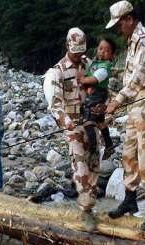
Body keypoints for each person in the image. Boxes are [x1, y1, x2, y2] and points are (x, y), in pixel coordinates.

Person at [105, 1, 145, 231]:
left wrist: (117, 100)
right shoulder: (132, 41)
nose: (118, 30)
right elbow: (130, 77)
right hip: (135, 105)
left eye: (119, 25)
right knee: (129, 152)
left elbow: (139, 76)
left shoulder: (144, 39)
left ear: (128, 19)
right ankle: (130, 200)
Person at [44, 27, 99, 231]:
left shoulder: (89, 64)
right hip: (73, 126)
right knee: (81, 168)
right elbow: (55, 104)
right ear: (68, 46)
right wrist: (64, 120)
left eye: (81, 50)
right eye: (75, 50)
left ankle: (90, 205)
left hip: (91, 123)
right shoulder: (58, 70)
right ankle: (86, 210)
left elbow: (99, 88)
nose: (78, 54)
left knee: (94, 164)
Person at [76, 37, 116, 163]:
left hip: (97, 95)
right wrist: (82, 58)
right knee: (100, 120)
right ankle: (109, 145)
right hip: (95, 94)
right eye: (101, 48)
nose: (103, 52)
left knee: (88, 120)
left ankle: (93, 151)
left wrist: (82, 80)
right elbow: (89, 64)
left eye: (107, 50)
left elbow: (95, 79)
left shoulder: (105, 67)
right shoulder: (96, 63)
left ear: (112, 55)